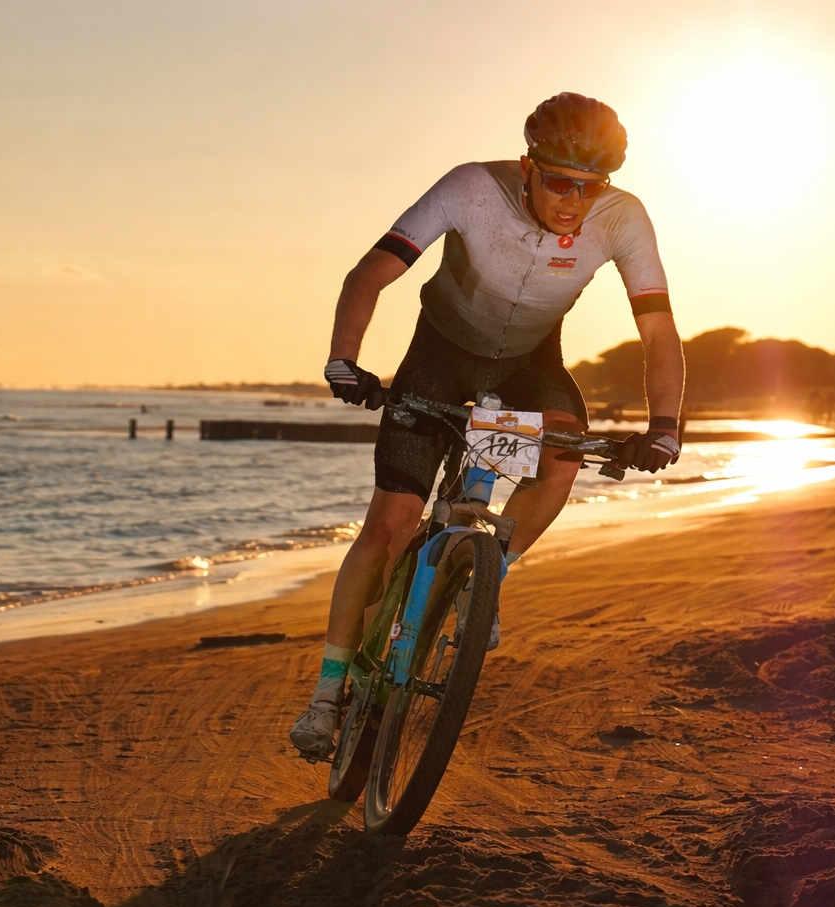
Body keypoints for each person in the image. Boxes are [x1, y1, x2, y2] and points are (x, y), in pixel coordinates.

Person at [290, 93, 686, 757]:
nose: (572, 201)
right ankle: (327, 693)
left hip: (530, 365)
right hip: (439, 358)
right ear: (528, 165)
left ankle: (483, 582)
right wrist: (344, 358)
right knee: (388, 525)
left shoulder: (623, 218)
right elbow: (372, 270)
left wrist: (666, 425)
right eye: (559, 181)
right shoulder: (472, 186)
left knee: (561, 461)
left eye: (590, 188)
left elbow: (658, 330)